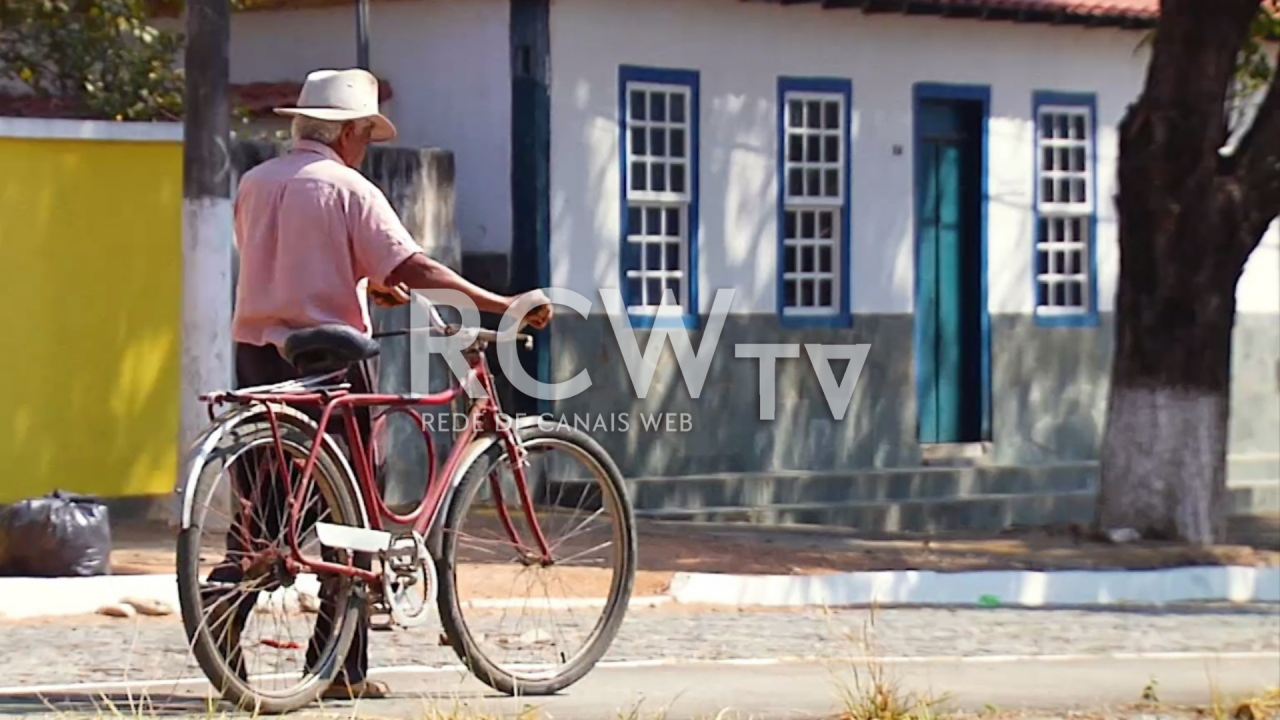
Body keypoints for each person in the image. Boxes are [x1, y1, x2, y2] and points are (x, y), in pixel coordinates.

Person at [206, 68, 551, 701]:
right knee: (360, 508)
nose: (365, 144)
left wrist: (367, 282)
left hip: (258, 351)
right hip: (333, 356)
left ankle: (225, 609)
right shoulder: (349, 187)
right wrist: (498, 303)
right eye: (365, 132)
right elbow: (412, 266)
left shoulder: (254, 184)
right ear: (349, 132)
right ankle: (342, 668)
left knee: (266, 502)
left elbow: (288, 261)